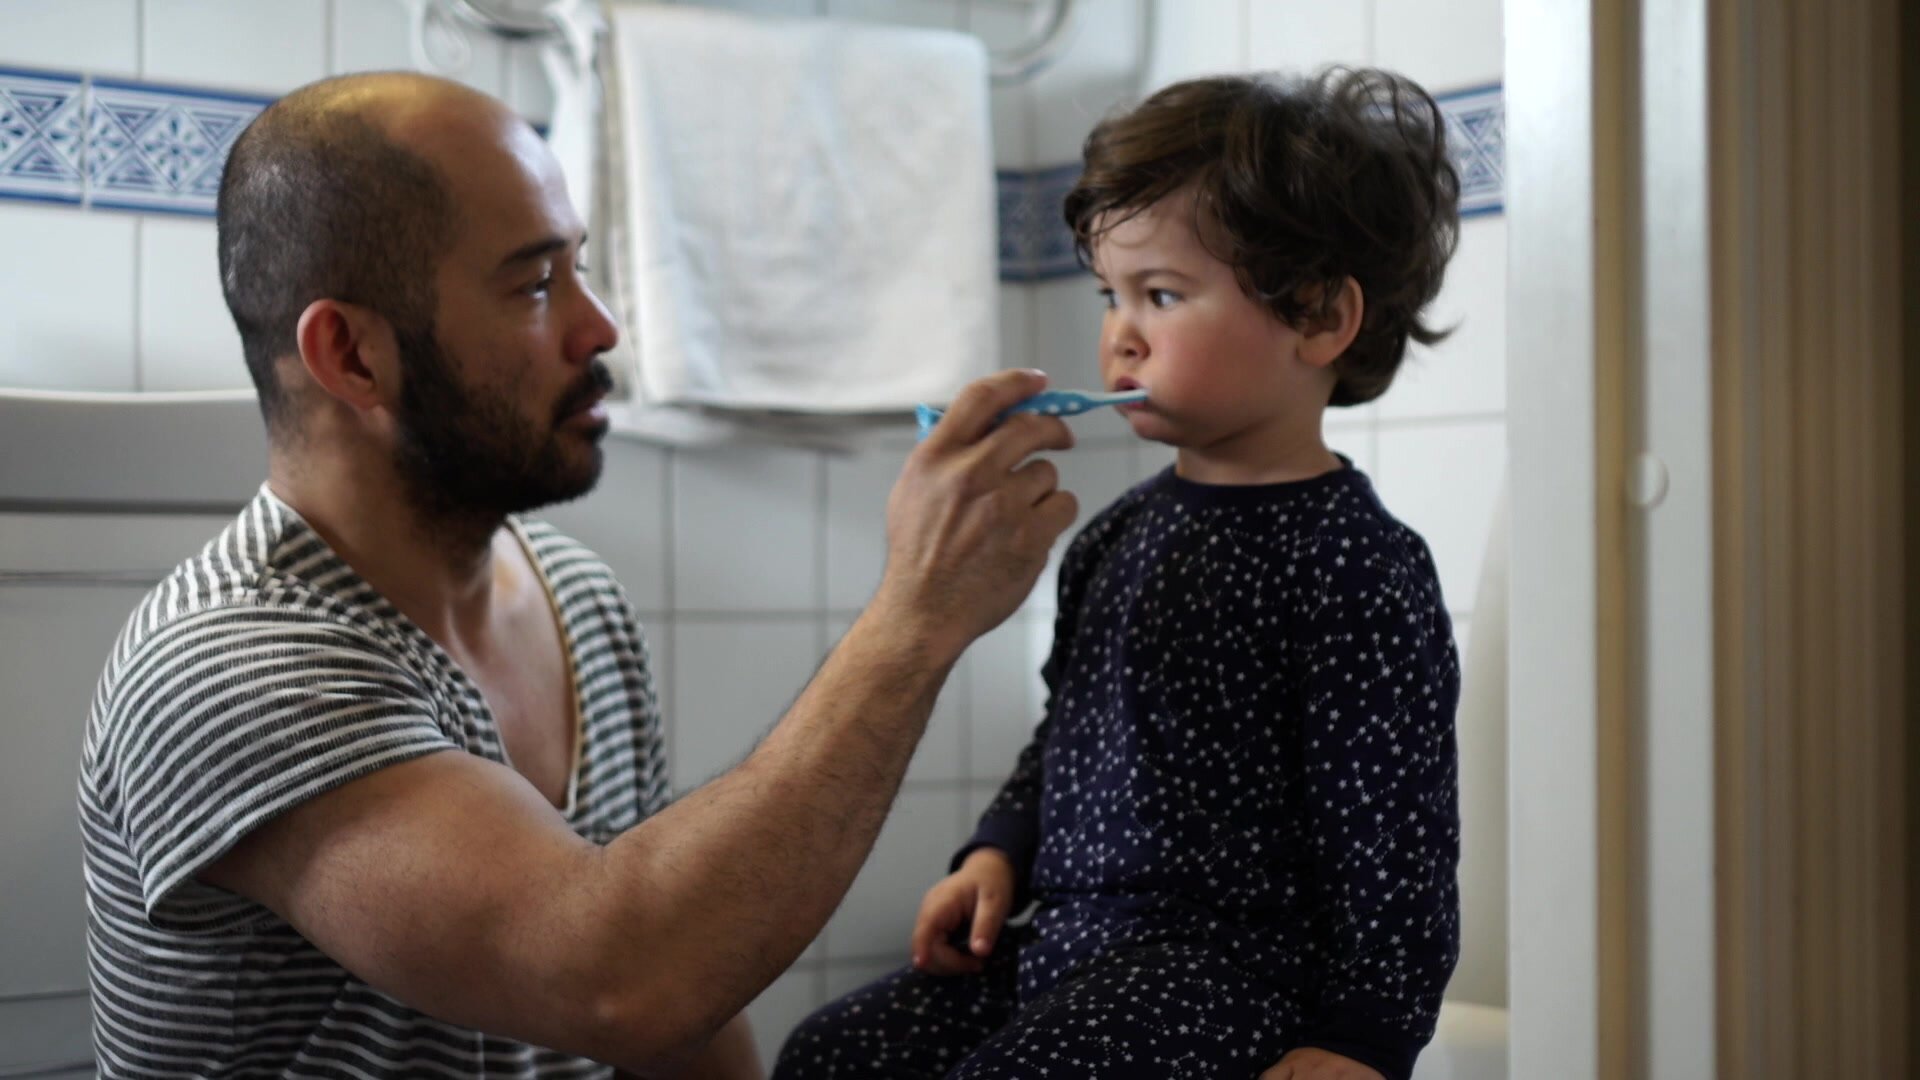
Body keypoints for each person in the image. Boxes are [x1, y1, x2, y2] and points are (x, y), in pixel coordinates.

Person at [79, 72, 1079, 1079]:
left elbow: (689, 996)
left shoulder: (571, 592)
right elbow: (623, 980)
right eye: (533, 285)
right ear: (352, 355)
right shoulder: (229, 666)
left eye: (580, 269)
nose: (600, 327)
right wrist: (914, 619)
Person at [773, 68, 1464, 1080]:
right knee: (834, 1055)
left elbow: (1396, 834)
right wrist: (998, 849)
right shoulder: (1114, 534)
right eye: (1112, 294)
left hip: (1228, 974)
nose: (1119, 333)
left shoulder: (1356, 564)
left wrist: (1362, 1040)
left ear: (1319, 316)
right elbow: (1069, 728)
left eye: (1162, 295)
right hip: (1064, 951)